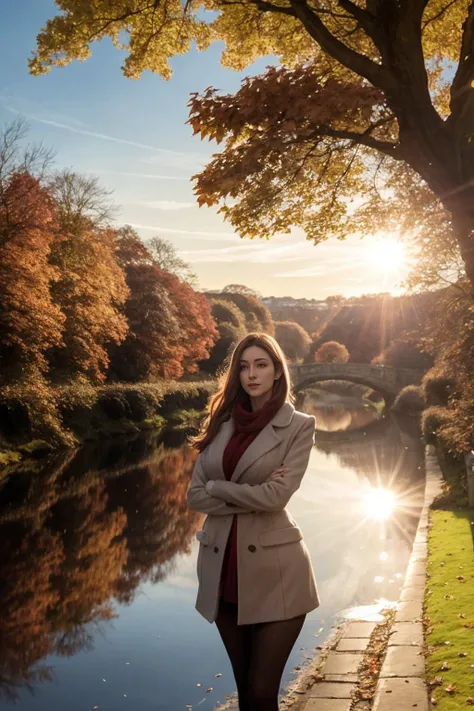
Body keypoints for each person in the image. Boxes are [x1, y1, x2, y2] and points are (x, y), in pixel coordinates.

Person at [187, 333, 320, 711]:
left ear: (278, 371)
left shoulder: (299, 426)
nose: (251, 374)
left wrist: (219, 487)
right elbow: (194, 496)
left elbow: (277, 497)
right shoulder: (221, 421)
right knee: (246, 692)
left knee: (262, 692)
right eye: (244, 366)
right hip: (222, 571)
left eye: (261, 365)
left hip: (278, 573)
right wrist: (247, 493)